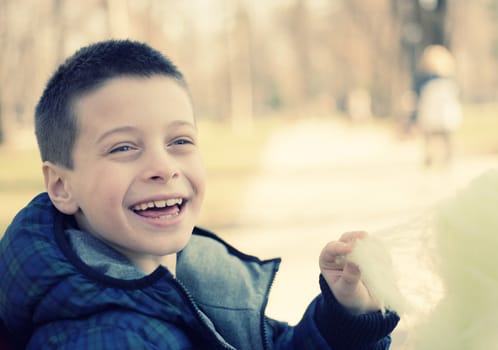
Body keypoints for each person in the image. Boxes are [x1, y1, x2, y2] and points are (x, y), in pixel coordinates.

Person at [0, 40, 399, 349]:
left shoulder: (178, 280)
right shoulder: (103, 336)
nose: (164, 166)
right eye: (123, 147)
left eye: (179, 140)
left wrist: (346, 313)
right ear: (61, 186)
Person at [413, 45, 462, 167]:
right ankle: (448, 157)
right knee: (447, 136)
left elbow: (418, 95)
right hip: (446, 113)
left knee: (428, 136)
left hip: (430, 113)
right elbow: (456, 94)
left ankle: (429, 156)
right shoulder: (449, 79)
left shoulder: (423, 80)